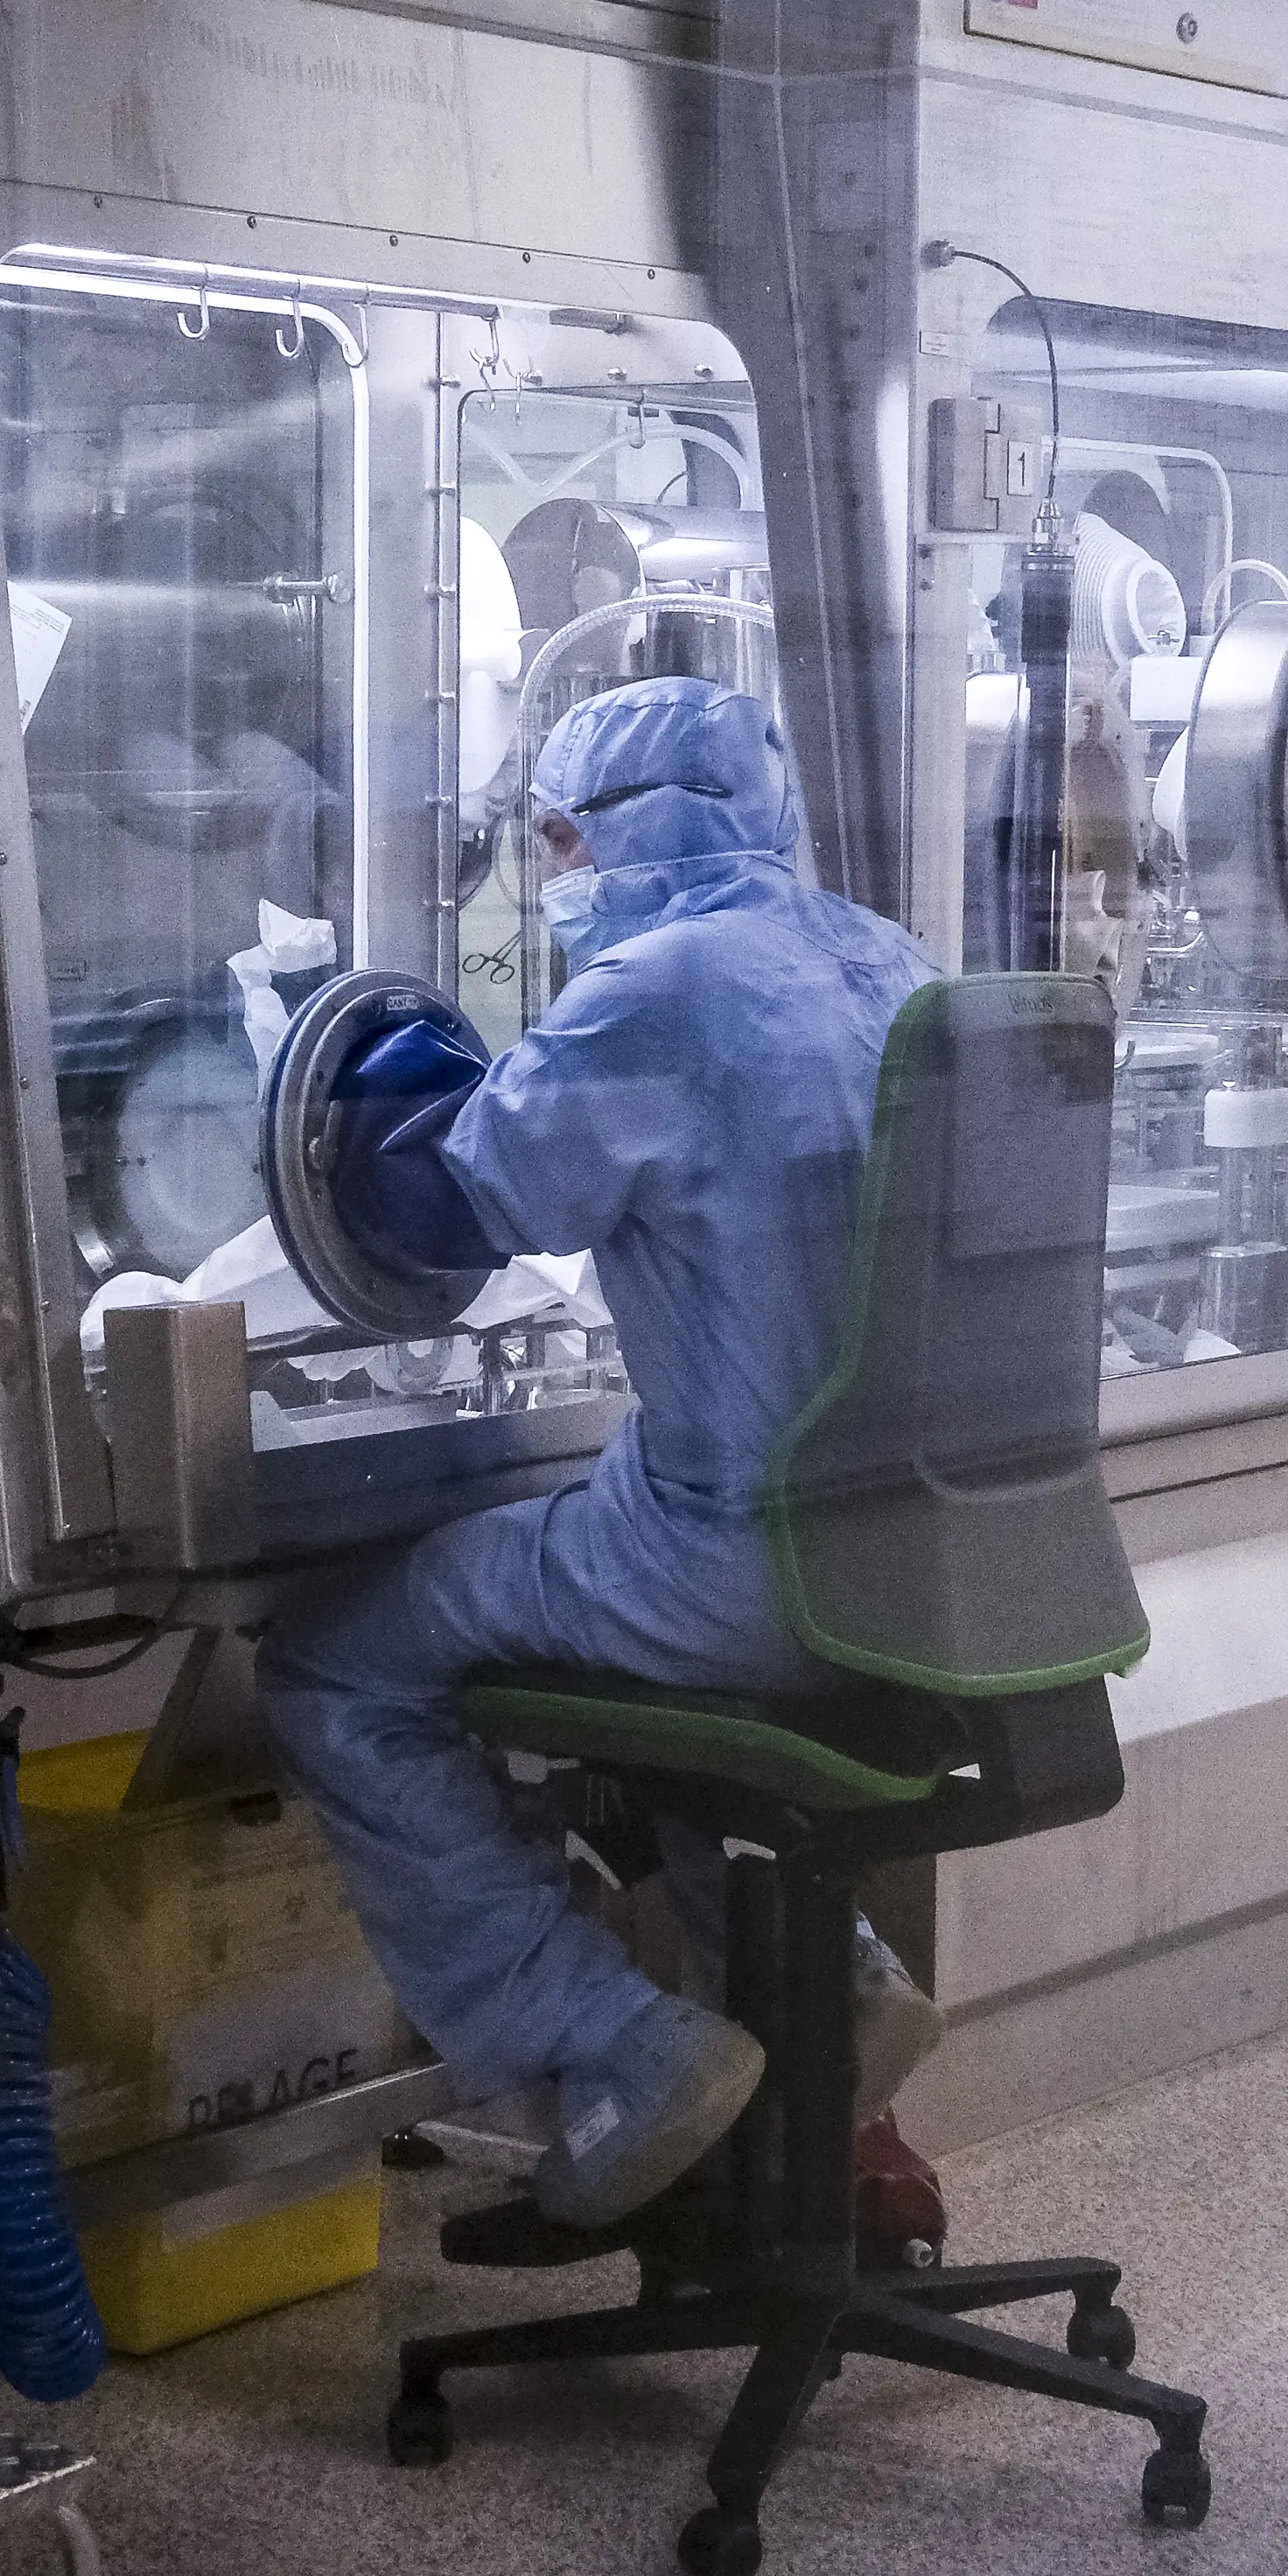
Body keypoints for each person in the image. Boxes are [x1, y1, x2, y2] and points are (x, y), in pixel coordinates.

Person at [255, 677, 951, 2229]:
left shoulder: (662, 989)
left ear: (613, 831)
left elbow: (455, 1204)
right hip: (926, 1564)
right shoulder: (895, 961)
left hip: (736, 1573)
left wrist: (325, 1070)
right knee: (650, 1686)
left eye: (558, 836)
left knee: (334, 1665)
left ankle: (613, 2040)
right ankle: (836, 1992)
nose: (553, 866)